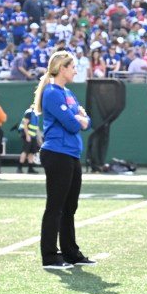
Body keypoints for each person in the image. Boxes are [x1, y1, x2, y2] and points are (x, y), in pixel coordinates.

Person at [36, 50, 93, 270]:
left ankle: (71, 254)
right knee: (55, 206)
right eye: (73, 67)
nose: (76, 71)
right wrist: (78, 118)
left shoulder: (67, 93)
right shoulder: (52, 93)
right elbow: (72, 123)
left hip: (71, 153)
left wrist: (79, 118)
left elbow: (85, 120)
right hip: (57, 153)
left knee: (70, 207)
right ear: (62, 69)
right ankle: (50, 256)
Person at [17, 104, 40, 174]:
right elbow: (25, 124)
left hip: (32, 136)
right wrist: (27, 135)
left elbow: (36, 127)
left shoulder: (36, 115)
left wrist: (39, 138)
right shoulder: (29, 112)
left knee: (32, 152)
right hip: (27, 135)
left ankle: (30, 168)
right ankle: (19, 168)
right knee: (25, 150)